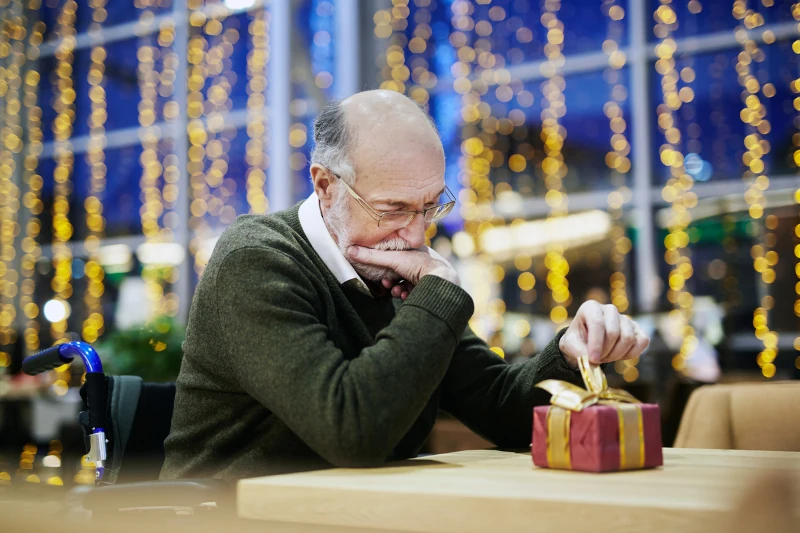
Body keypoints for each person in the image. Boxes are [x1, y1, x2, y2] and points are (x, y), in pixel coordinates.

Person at [160, 90, 650, 480]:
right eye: (393, 210)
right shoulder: (257, 259)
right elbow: (352, 430)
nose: (415, 235)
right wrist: (439, 293)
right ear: (325, 186)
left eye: (431, 206)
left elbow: (501, 411)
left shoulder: (392, 275)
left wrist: (568, 353)